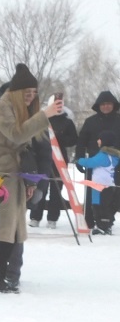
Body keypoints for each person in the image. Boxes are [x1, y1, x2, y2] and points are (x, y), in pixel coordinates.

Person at [0, 64, 60, 293]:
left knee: (11, 231)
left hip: (15, 174)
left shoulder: (19, 109)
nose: (30, 98)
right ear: (16, 92)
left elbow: (28, 147)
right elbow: (17, 134)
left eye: (33, 94)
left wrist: (30, 181)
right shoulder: (1, 108)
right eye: (27, 94)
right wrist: (44, 115)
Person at [74, 90, 120, 227]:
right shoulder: (90, 122)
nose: (106, 106)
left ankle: (106, 219)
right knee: (92, 194)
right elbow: (81, 141)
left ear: (113, 105)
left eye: (108, 104)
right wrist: (79, 158)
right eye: (103, 104)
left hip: (116, 164)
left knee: (113, 193)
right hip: (94, 163)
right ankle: (89, 219)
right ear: (98, 105)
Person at [30, 107, 77, 228]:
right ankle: (35, 216)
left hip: (60, 160)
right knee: (40, 188)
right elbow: (33, 137)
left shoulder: (67, 122)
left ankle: (52, 218)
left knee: (56, 190)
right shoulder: (42, 120)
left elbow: (73, 139)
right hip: (42, 158)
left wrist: (59, 138)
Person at [77, 129, 120, 234]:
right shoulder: (113, 155)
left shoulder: (104, 155)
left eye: (99, 139)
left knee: (99, 206)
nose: (97, 141)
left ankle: (102, 226)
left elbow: (91, 162)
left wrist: (80, 160)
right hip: (107, 185)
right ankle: (106, 224)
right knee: (106, 206)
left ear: (105, 141)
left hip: (100, 186)